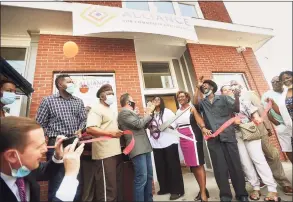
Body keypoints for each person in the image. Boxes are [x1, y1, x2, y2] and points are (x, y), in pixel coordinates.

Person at [230, 80, 293, 196]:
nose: (233, 86)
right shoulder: (228, 98)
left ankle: (284, 183)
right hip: (241, 132)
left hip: (258, 129)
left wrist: (268, 128)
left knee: (270, 154)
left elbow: (259, 109)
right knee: (250, 158)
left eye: (235, 83)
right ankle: (260, 182)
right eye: (231, 85)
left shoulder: (249, 94)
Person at [0, 116, 84, 202]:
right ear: (12, 156)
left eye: (44, 143)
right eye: (39, 146)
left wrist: (58, 156)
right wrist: (71, 176)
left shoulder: (22, 168)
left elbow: (44, 171)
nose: (45, 149)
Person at [194, 78, 249, 202]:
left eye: (206, 86)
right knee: (219, 168)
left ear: (212, 88)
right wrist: (197, 88)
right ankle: (225, 195)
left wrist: (236, 96)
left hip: (228, 135)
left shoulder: (223, 98)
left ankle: (242, 194)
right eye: (202, 87)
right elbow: (195, 105)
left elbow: (236, 109)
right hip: (213, 139)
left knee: (235, 166)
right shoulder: (202, 102)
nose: (204, 87)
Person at [222, 83, 279, 202]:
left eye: (229, 90)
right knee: (245, 162)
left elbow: (254, 113)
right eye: (224, 90)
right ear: (221, 94)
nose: (228, 91)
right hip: (236, 135)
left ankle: (272, 188)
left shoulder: (243, 100)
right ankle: (256, 187)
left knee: (258, 160)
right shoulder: (222, 105)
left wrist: (257, 117)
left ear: (234, 91)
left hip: (249, 130)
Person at [35, 74, 86, 201]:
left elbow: (83, 120)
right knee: (57, 180)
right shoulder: (48, 101)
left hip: (74, 144)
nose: (72, 83)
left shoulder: (78, 101)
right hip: (56, 145)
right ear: (60, 84)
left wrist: (80, 129)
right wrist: (46, 139)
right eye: (69, 82)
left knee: (75, 180)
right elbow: (39, 124)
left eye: (72, 81)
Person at [85, 84, 123, 202]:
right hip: (104, 154)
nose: (111, 95)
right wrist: (111, 133)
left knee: (113, 186)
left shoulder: (110, 110)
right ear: (101, 96)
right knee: (107, 189)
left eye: (112, 93)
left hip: (114, 152)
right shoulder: (96, 109)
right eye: (108, 93)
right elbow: (90, 129)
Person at [174, 91, 211, 202]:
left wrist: (203, 128)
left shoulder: (191, 108)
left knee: (198, 164)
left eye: (182, 96)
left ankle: (204, 194)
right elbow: (175, 125)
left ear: (187, 98)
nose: (180, 98)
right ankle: (202, 189)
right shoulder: (177, 111)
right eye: (178, 97)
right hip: (183, 138)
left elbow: (199, 119)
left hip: (193, 137)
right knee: (193, 166)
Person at [118, 93, 154, 202]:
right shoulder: (123, 113)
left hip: (145, 147)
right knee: (141, 178)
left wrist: (148, 115)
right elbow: (138, 124)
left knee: (148, 177)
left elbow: (143, 124)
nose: (134, 102)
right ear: (128, 102)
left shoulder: (131, 113)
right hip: (137, 148)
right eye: (132, 100)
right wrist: (147, 113)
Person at [147, 96, 184, 200]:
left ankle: (177, 191)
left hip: (169, 141)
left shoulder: (167, 111)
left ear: (161, 102)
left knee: (173, 167)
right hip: (156, 143)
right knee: (161, 166)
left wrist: (168, 126)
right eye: (154, 100)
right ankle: (165, 188)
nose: (156, 101)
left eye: (158, 99)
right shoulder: (151, 113)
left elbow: (175, 122)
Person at [261, 76, 292, 163]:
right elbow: (266, 111)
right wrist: (276, 123)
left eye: (277, 81)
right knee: (288, 147)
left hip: (291, 121)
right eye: (272, 82)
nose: (275, 84)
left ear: (282, 82)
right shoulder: (267, 95)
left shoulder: (288, 91)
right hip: (282, 125)